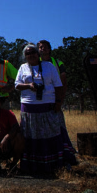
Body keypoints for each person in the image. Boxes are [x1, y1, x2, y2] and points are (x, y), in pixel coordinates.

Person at [15, 43, 76, 174]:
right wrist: (29, 86)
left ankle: (53, 165)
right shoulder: (23, 67)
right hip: (29, 109)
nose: (31, 55)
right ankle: (31, 167)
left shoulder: (49, 66)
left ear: (38, 54)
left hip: (48, 107)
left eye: (33, 52)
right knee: (31, 137)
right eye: (27, 53)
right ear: (25, 56)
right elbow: (17, 85)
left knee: (51, 135)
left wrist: (58, 102)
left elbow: (58, 85)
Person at [37, 40, 76, 154]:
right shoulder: (35, 63)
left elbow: (64, 80)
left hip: (55, 98)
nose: (42, 49)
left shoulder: (58, 63)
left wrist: (60, 100)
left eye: (45, 47)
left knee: (58, 124)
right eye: (40, 47)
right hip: (41, 100)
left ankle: (64, 148)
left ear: (49, 49)